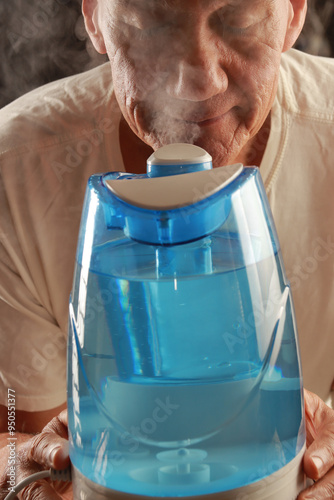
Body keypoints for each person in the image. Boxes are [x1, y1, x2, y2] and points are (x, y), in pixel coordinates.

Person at [0, 0, 334, 498]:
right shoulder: (15, 174)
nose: (198, 82)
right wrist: (16, 467)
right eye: (149, 22)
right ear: (94, 17)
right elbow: (21, 435)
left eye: (239, 19)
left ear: (294, 13)